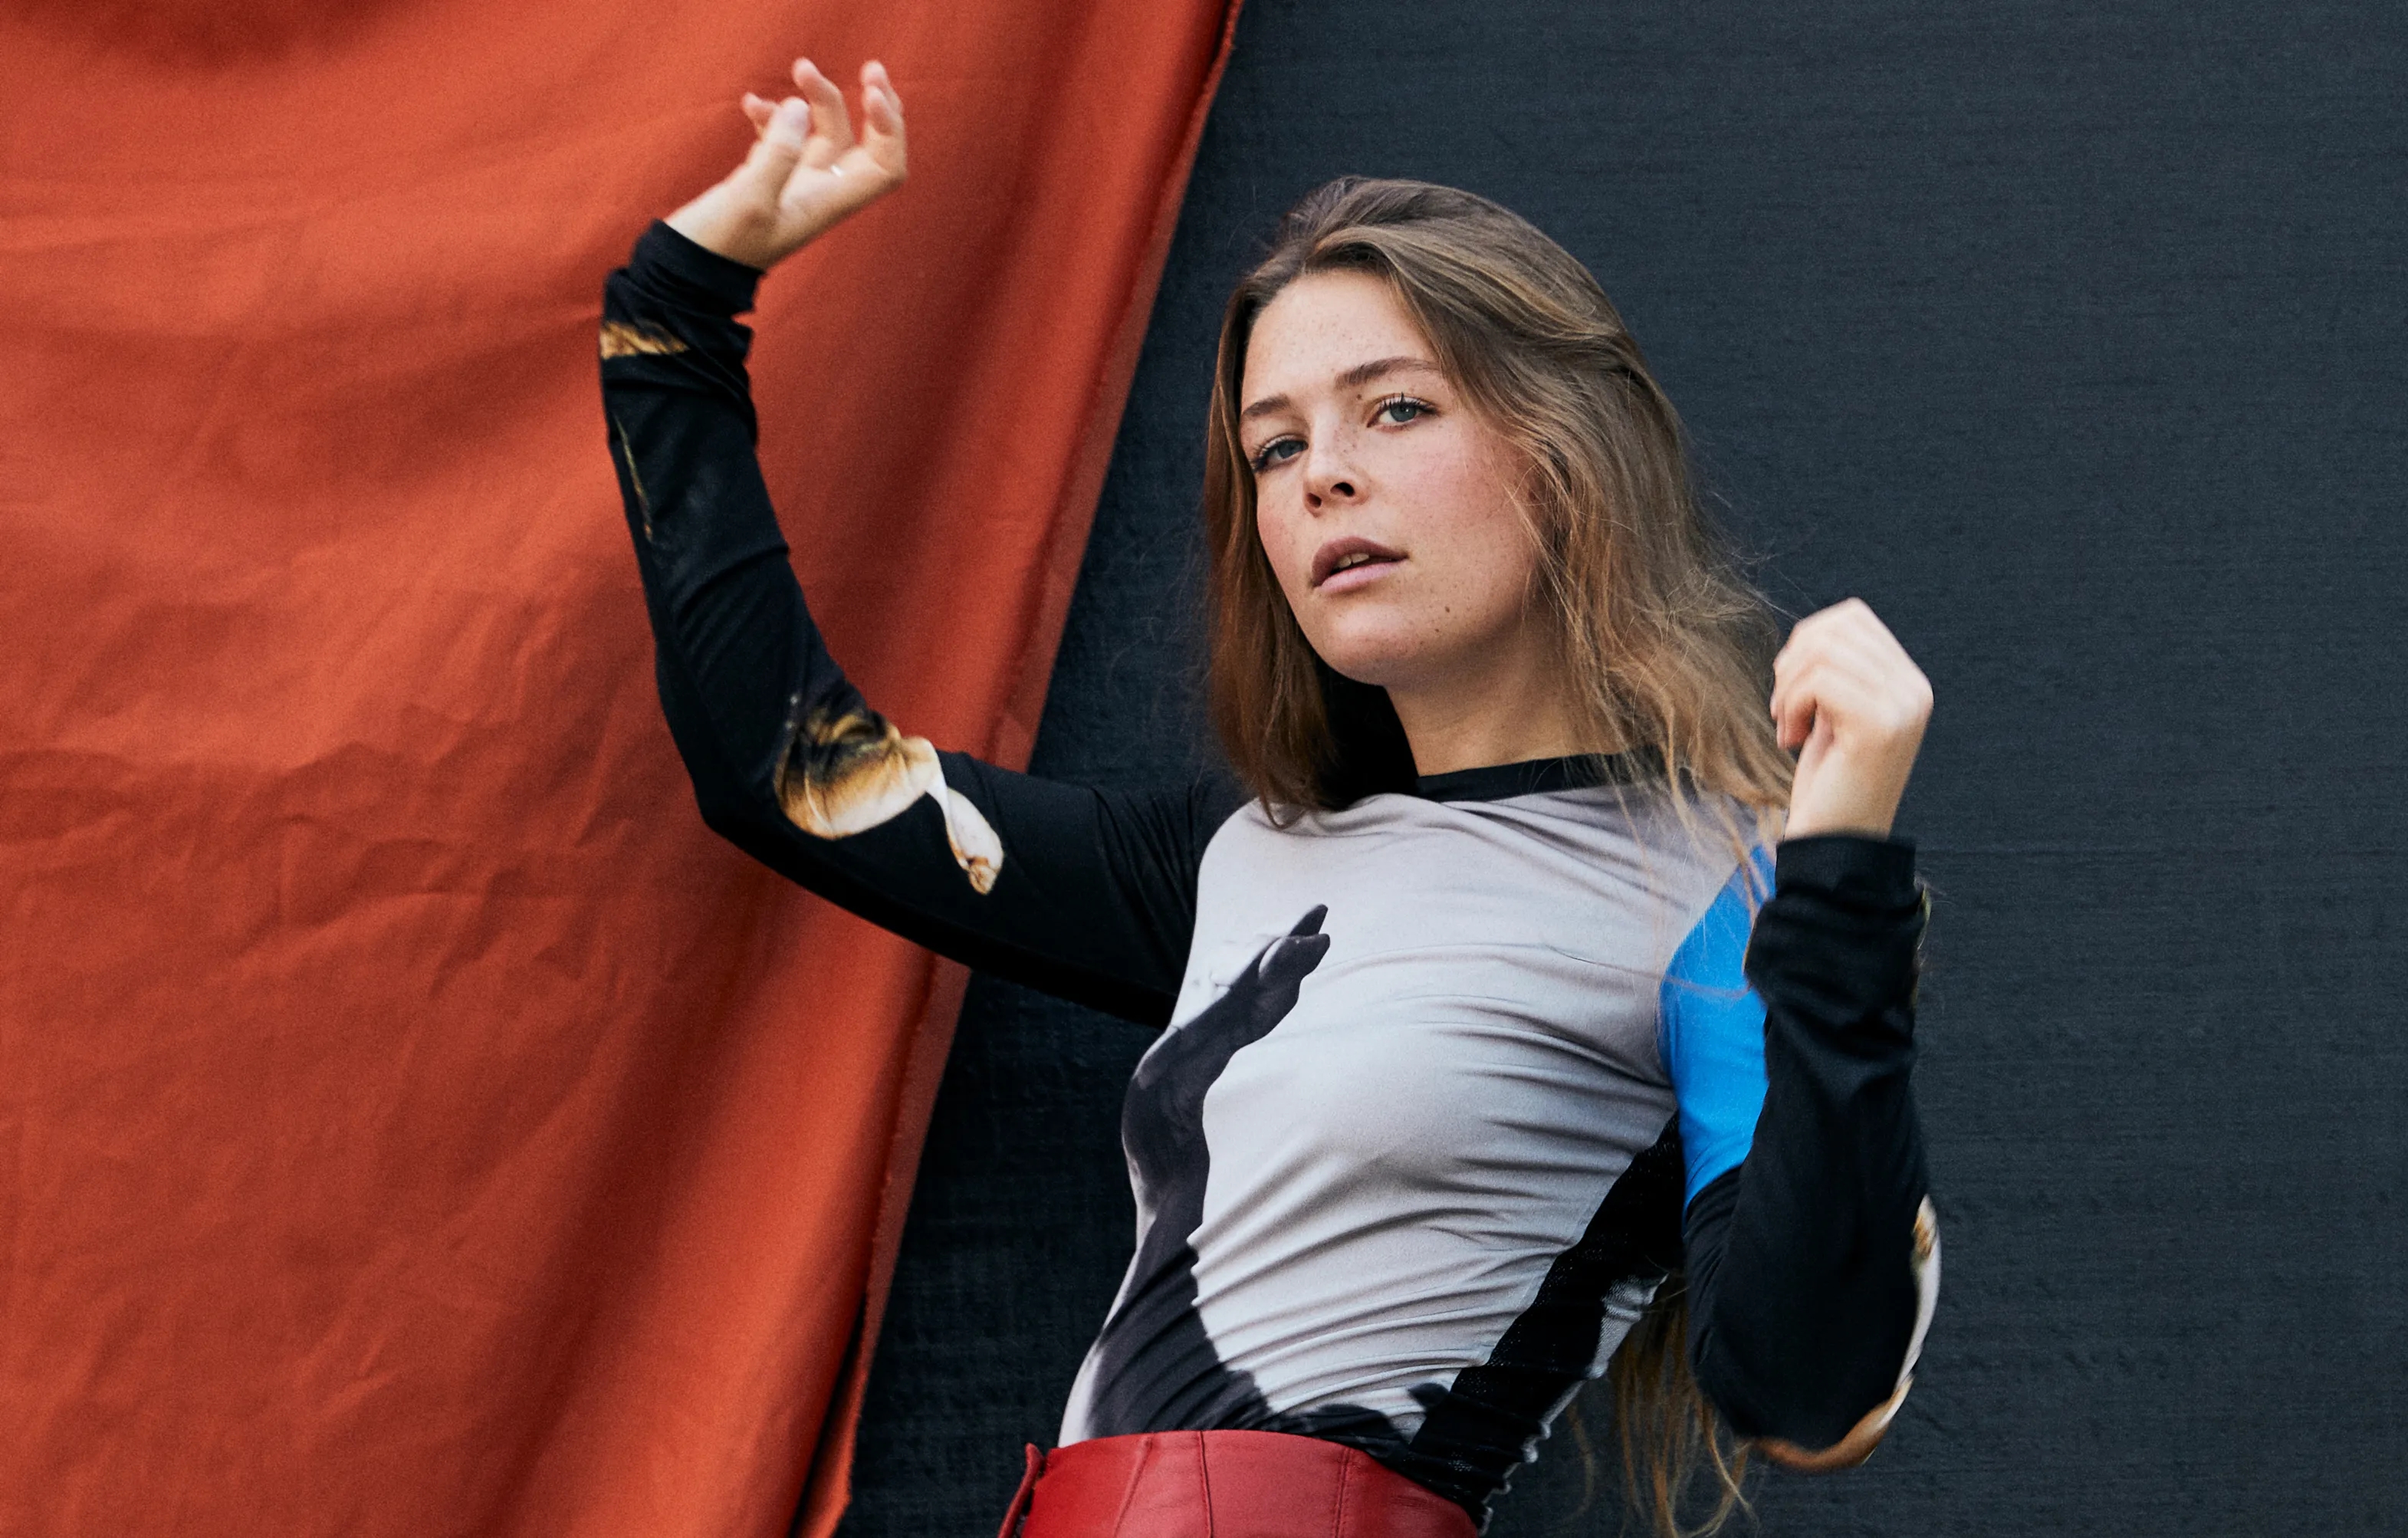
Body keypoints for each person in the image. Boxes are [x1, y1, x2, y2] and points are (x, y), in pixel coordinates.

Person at [601, 57, 1940, 1538]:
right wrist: (674, 318)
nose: (1323, 479)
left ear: (1566, 455)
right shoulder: (1239, 862)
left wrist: (1839, 879)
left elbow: (1809, 1389)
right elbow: (795, 773)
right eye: (1277, 446)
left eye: (1396, 410)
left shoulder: (1722, 894)